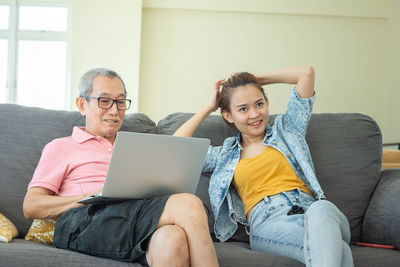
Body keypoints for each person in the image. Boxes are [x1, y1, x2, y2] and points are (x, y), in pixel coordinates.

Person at [23, 68, 219, 267]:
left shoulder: (132, 146)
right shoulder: (61, 146)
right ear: (82, 104)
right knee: (188, 205)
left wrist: (209, 108)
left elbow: (176, 146)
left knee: (172, 239)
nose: (115, 111)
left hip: (132, 217)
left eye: (120, 102)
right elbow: (31, 206)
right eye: (104, 101)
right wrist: (93, 196)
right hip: (83, 222)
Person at [173, 66, 354, 267]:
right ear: (228, 115)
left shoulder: (288, 130)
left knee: (321, 208)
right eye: (243, 109)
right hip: (269, 223)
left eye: (259, 104)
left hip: (316, 214)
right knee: (340, 250)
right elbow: (176, 148)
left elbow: (306, 73)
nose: (254, 114)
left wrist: (252, 81)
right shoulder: (224, 154)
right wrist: (209, 106)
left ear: (267, 102)